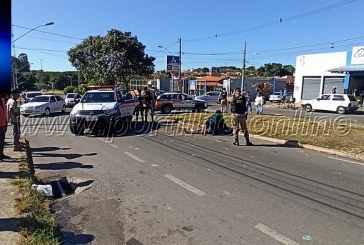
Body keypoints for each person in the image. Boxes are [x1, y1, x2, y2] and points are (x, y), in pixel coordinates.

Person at [0, 95, 10, 161]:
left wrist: (6, 121)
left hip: (3, 124)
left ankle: (1, 154)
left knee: (2, 140)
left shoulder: (3, 100)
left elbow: (5, 112)